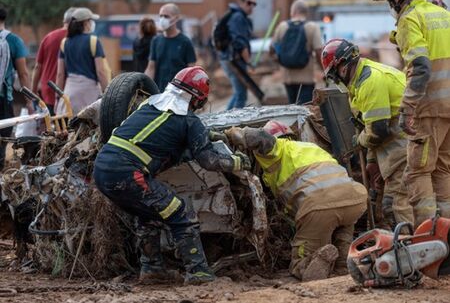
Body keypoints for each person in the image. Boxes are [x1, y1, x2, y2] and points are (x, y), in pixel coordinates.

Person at [94, 66, 251, 285]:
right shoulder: (188, 120)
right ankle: (199, 273)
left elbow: (160, 133)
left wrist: (207, 134)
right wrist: (238, 161)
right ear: (197, 99)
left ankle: (152, 270)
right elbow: (209, 161)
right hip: (128, 173)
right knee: (181, 213)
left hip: (102, 169)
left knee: (148, 215)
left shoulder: (149, 105)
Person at [225, 121, 367, 281]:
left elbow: (259, 137)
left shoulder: (278, 149)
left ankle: (308, 267)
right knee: (342, 231)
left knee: (300, 260)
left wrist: (230, 134)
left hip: (320, 205)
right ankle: (344, 266)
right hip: (355, 198)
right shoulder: (311, 148)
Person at [374, 0, 450, 226]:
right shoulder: (443, 15)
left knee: (418, 173)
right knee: (443, 171)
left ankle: (427, 236)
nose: (389, 5)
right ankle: (446, 238)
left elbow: (420, 66)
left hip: (428, 109)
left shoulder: (410, 18)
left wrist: (407, 108)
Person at [321, 38, 414, 227]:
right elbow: (369, 125)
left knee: (394, 206)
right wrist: (372, 161)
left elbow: (378, 130)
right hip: (398, 145)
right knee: (390, 204)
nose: (336, 80)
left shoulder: (370, 81)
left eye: (334, 75)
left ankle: (412, 248)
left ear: (342, 68)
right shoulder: (360, 82)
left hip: (406, 144)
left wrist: (359, 141)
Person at [55, 7, 108, 115]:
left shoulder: (65, 43)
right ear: (85, 22)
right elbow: (101, 72)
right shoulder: (93, 41)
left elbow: (60, 74)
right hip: (89, 95)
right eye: (90, 20)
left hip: (69, 94)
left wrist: (57, 98)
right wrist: (108, 93)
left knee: (69, 130)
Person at [271, 0, 323, 104]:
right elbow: (318, 51)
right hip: (306, 78)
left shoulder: (282, 26)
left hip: (287, 77)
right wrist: (323, 70)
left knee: (292, 107)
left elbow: (272, 49)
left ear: (293, 11)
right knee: (305, 109)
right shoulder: (312, 27)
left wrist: (280, 60)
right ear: (306, 12)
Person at [0, 3, 31, 169]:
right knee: (2, 142)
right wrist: (29, 101)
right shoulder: (13, 40)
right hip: (3, 99)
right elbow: (23, 74)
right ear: (5, 18)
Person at [32, 7, 76, 115]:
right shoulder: (76, 39)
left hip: (48, 90)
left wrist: (33, 91)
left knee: (50, 127)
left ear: (64, 21)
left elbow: (38, 66)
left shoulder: (48, 37)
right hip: (69, 91)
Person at [144, 4, 196, 92]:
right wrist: (145, 85)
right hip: (158, 93)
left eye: (166, 16)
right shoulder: (156, 41)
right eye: (160, 16)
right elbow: (151, 67)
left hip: (177, 94)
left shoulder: (185, 42)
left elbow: (191, 71)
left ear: (176, 18)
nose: (162, 19)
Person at [219, 0, 256, 109]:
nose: (251, 6)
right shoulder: (238, 18)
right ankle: (230, 123)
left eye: (254, 4)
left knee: (238, 92)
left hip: (229, 59)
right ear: (241, 2)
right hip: (234, 61)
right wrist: (249, 62)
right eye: (249, 3)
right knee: (241, 95)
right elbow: (240, 42)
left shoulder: (238, 17)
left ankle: (224, 119)